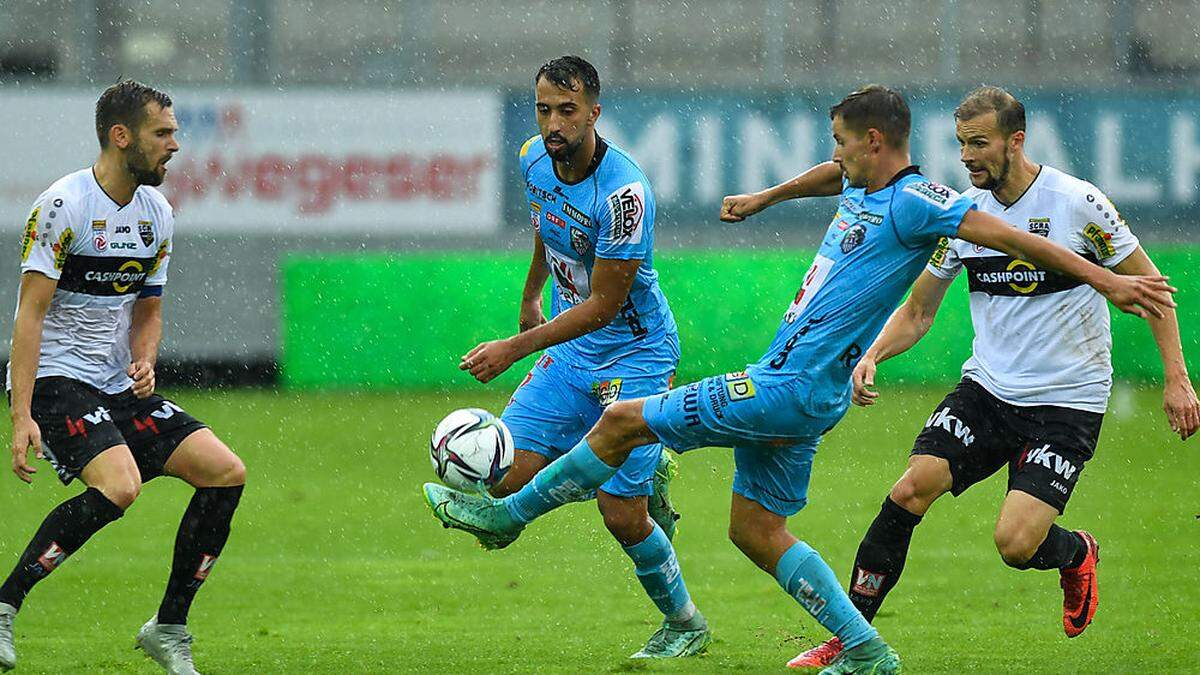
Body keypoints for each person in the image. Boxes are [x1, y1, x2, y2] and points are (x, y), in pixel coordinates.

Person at [424, 84, 1173, 674]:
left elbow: (1008, 237)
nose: (835, 156)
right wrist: (768, 198)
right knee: (754, 528)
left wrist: (1107, 284)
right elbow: (830, 177)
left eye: (843, 144)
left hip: (784, 385)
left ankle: (507, 516)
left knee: (620, 421)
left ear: (874, 143)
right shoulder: (864, 185)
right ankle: (867, 650)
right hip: (807, 396)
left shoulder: (918, 202)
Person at [788, 85, 1200, 669]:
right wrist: (874, 354)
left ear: (1016, 140)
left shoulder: (1078, 203)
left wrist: (1177, 379)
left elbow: (1154, 291)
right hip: (987, 390)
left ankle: (1076, 553)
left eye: (979, 143)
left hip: (1067, 402)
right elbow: (919, 311)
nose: (968, 156)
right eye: (961, 144)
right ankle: (850, 641)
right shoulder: (961, 215)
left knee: (1014, 545)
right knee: (909, 489)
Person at [448, 56, 710, 659]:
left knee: (621, 513)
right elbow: (547, 224)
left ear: (595, 112)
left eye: (567, 111)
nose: (553, 124)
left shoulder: (624, 194)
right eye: (544, 110)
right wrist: (530, 295)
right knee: (503, 476)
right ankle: (642, 457)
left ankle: (685, 624)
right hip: (572, 350)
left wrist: (515, 348)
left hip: (636, 352)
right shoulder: (531, 158)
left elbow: (606, 303)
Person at [0, 80, 246, 675]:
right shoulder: (63, 207)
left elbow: (149, 311)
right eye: (163, 133)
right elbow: (28, 316)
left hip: (115, 383)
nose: (174, 146)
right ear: (122, 136)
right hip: (57, 379)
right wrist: (23, 415)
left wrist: (145, 358)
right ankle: (4, 607)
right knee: (121, 486)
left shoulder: (157, 212)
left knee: (225, 473)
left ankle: (168, 627)